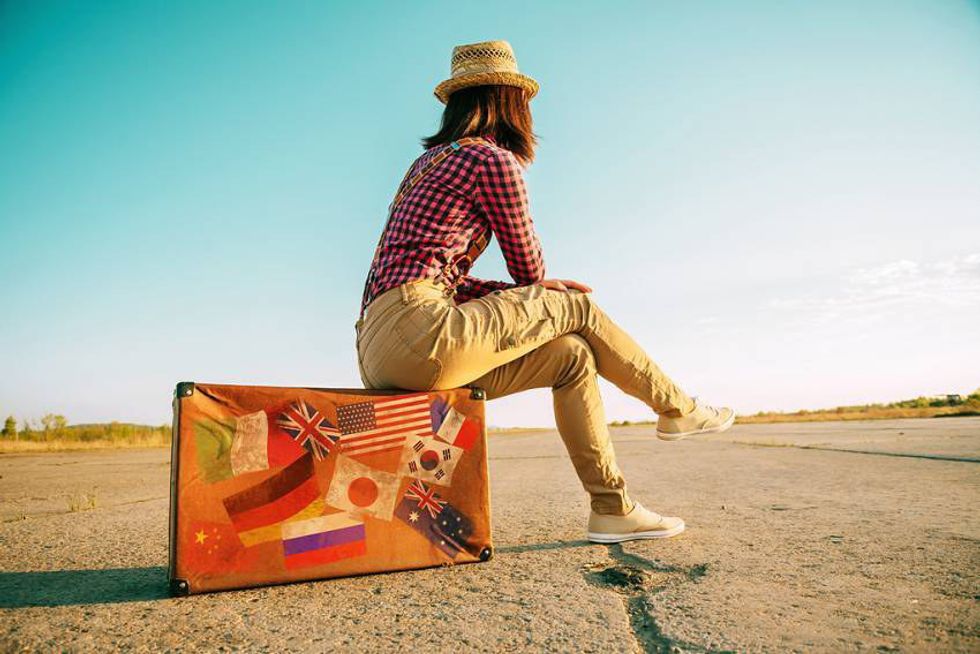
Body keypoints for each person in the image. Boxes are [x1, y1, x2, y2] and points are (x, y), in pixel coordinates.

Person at [354, 40, 734, 544]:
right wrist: (540, 290)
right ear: (511, 102)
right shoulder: (489, 160)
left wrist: (525, 293)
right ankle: (677, 408)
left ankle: (612, 508)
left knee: (570, 356)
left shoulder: (423, 166)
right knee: (575, 305)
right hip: (420, 330)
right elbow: (528, 265)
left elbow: (445, 279)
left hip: (385, 346)